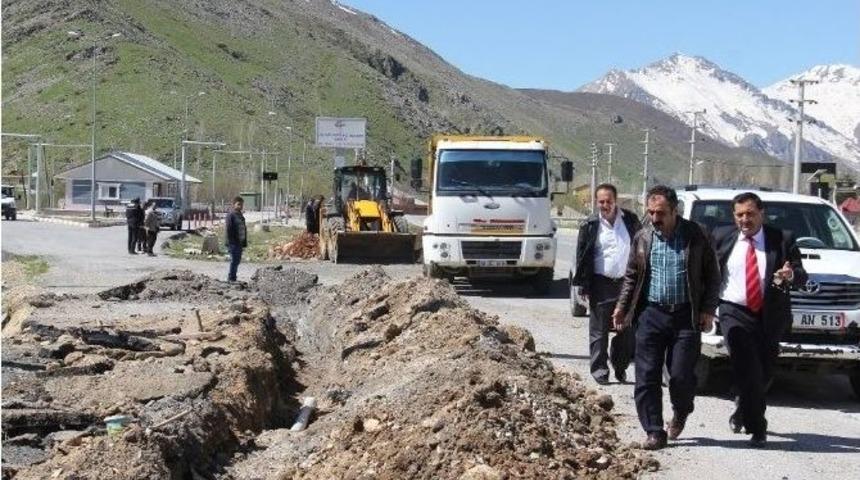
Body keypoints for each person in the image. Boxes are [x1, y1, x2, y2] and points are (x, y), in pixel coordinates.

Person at [612, 185, 721, 450]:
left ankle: (681, 411)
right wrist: (622, 307)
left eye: (660, 213)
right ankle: (654, 431)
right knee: (646, 376)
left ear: (675, 211)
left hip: (686, 315)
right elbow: (631, 276)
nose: (654, 218)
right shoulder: (643, 237)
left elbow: (712, 276)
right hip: (651, 314)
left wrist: (707, 309)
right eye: (650, 212)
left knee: (680, 376)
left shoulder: (696, 236)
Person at [711, 192, 806, 448]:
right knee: (747, 367)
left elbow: (801, 276)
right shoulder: (721, 237)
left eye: (750, 214)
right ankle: (758, 427)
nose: (745, 219)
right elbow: (708, 273)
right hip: (733, 311)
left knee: (762, 374)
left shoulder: (781, 238)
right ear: (733, 216)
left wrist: (790, 275)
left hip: (769, 315)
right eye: (740, 214)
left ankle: (743, 407)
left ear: (762, 213)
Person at [572, 183, 642, 385]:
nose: (605, 205)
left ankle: (620, 366)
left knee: (626, 331)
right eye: (601, 201)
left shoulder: (630, 220)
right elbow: (582, 255)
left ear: (616, 200)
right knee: (599, 331)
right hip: (600, 283)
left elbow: (641, 246)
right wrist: (583, 284)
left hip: (626, 284)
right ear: (596, 202)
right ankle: (599, 370)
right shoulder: (590, 224)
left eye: (608, 201)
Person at [225, 196, 247, 282]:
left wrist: (243, 242)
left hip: (239, 243)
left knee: (237, 260)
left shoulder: (240, 215)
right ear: (234, 204)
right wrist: (232, 242)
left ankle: (233, 277)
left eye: (241, 204)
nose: (240, 206)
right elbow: (229, 229)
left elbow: (243, 229)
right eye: (238, 204)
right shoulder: (231, 215)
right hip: (233, 243)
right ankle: (231, 278)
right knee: (234, 260)